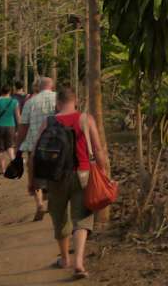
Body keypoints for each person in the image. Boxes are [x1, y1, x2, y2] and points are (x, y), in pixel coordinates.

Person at [39, 86, 109, 280]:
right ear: (75, 101)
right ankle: (78, 261)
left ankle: (64, 258)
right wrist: (103, 173)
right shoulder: (85, 119)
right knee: (82, 218)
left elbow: (39, 151)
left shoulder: (49, 121)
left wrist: (35, 181)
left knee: (59, 216)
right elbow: (98, 148)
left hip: (56, 177)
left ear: (58, 103)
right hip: (83, 174)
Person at [16, 76, 56, 221]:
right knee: (53, 173)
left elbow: (23, 127)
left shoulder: (30, 102)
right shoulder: (59, 99)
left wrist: (18, 147)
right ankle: (52, 202)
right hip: (56, 145)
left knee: (36, 176)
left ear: (38, 87)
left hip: (35, 144)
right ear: (52, 86)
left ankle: (39, 204)